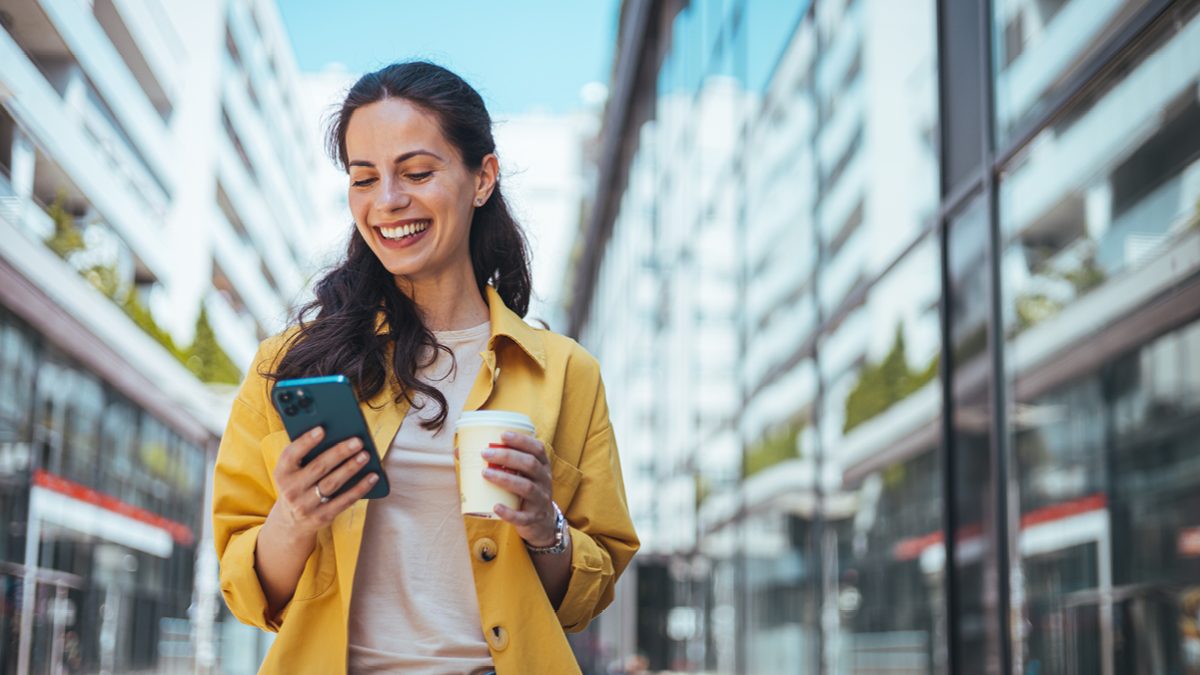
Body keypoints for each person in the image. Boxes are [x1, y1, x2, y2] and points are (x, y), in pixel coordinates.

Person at [212, 61, 639, 674]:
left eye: (415, 172)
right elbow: (248, 591)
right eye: (364, 179)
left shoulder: (567, 373)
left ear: (482, 177)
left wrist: (546, 525)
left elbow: (586, 596)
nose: (387, 202)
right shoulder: (288, 365)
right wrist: (296, 516)